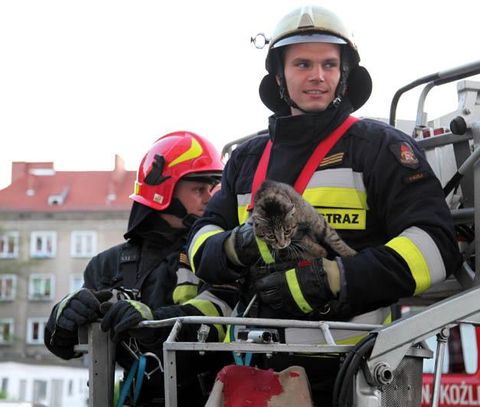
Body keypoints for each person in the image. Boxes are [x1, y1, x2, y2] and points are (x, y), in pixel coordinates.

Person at [187, 5, 462, 406]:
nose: (317, 76)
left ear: (344, 74)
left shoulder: (380, 148)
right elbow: (199, 242)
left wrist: (335, 279)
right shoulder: (247, 159)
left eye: (329, 64)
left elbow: (437, 245)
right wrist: (235, 246)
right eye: (302, 64)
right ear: (279, 76)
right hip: (248, 376)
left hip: (348, 376)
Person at [45, 131, 236, 406]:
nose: (210, 198)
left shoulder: (214, 254)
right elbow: (67, 347)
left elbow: (220, 319)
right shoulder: (106, 265)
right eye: (198, 189)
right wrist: (63, 318)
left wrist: (153, 322)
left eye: (213, 188)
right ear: (162, 192)